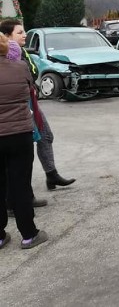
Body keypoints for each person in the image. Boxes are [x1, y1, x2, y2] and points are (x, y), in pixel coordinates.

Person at [0, 19, 75, 195]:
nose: (25, 35)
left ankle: (51, 174)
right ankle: (21, 196)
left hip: (30, 101)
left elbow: (33, 73)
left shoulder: (21, 52)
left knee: (45, 136)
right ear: (7, 36)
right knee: (20, 151)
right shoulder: (10, 57)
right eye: (19, 32)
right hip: (21, 105)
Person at [0, 34, 49, 249]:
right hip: (20, 134)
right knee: (20, 184)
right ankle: (29, 234)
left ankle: (0, 236)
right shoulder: (20, 67)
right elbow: (31, 88)